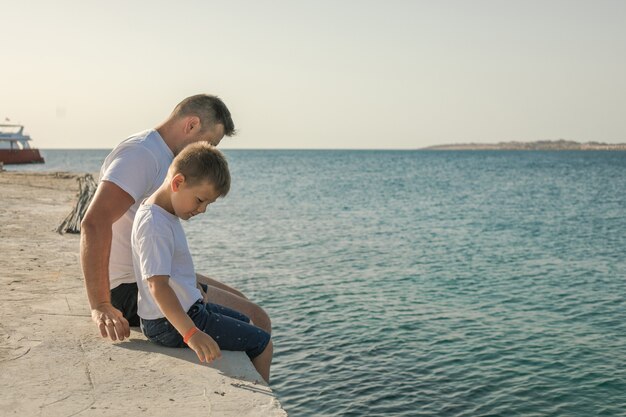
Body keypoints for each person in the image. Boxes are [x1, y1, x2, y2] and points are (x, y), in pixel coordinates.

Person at [81, 94, 271, 342]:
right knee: (256, 317)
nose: (209, 151)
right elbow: (94, 222)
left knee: (245, 304)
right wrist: (101, 304)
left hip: (149, 273)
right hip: (130, 289)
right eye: (211, 142)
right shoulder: (142, 154)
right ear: (191, 125)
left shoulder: (163, 156)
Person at [132, 143, 272, 382]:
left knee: (248, 320)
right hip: (168, 323)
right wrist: (191, 333)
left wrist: (192, 290)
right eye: (199, 200)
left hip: (185, 311)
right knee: (263, 344)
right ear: (178, 183)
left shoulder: (163, 213)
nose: (202, 209)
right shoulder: (155, 225)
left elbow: (173, 271)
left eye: (208, 204)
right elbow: (157, 285)